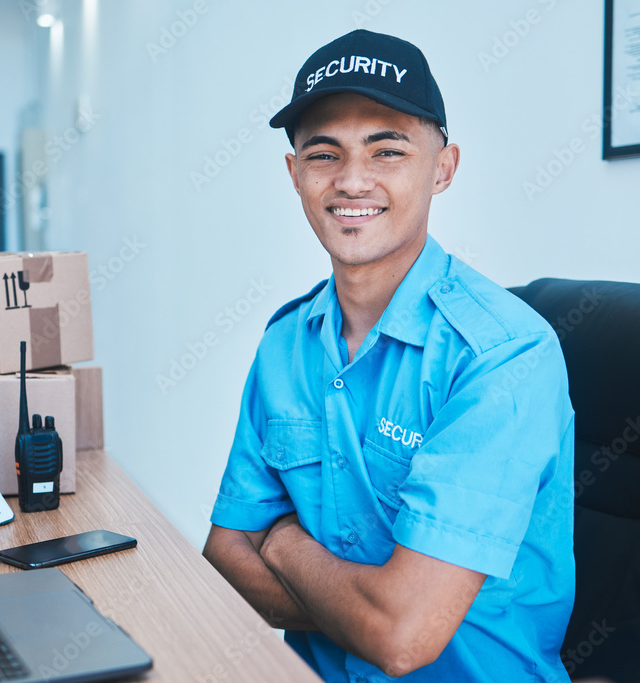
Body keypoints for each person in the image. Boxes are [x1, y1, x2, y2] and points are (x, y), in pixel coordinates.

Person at [203, 29, 575, 682]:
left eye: (387, 150)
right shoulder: (283, 344)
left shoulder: (504, 356)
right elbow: (225, 554)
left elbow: (402, 637)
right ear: (294, 175)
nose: (351, 181)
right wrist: (369, 608)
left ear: (443, 167)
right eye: (324, 153)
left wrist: (284, 541)